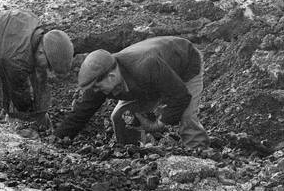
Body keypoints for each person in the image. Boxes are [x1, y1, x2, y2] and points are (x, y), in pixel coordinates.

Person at [55, 36, 209, 148]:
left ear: (111, 76)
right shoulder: (100, 77)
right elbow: (82, 112)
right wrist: (58, 138)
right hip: (149, 80)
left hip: (185, 63)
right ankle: (131, 150)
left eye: (97, 87)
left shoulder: (146, 66)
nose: (95, 91)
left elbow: (181, 96)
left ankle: (199, 153)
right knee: (119, 116)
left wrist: (158, 124)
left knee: (187, 117)